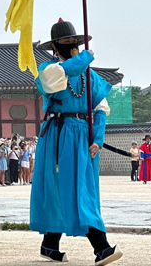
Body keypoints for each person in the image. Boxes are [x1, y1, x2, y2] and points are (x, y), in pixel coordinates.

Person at [30, 19, 121, 265]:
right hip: (59, 135)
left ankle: (50, 244)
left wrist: (99, 139)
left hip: (84, 136)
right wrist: (83, 59)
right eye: (67, 43)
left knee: (82, 188)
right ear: (55, 47)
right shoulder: (48, 69)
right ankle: (101, 248)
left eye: (75, 43)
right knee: (67, 188)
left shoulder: (90, 75)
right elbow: (57, 77)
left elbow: (101, 108)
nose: (73, 47)